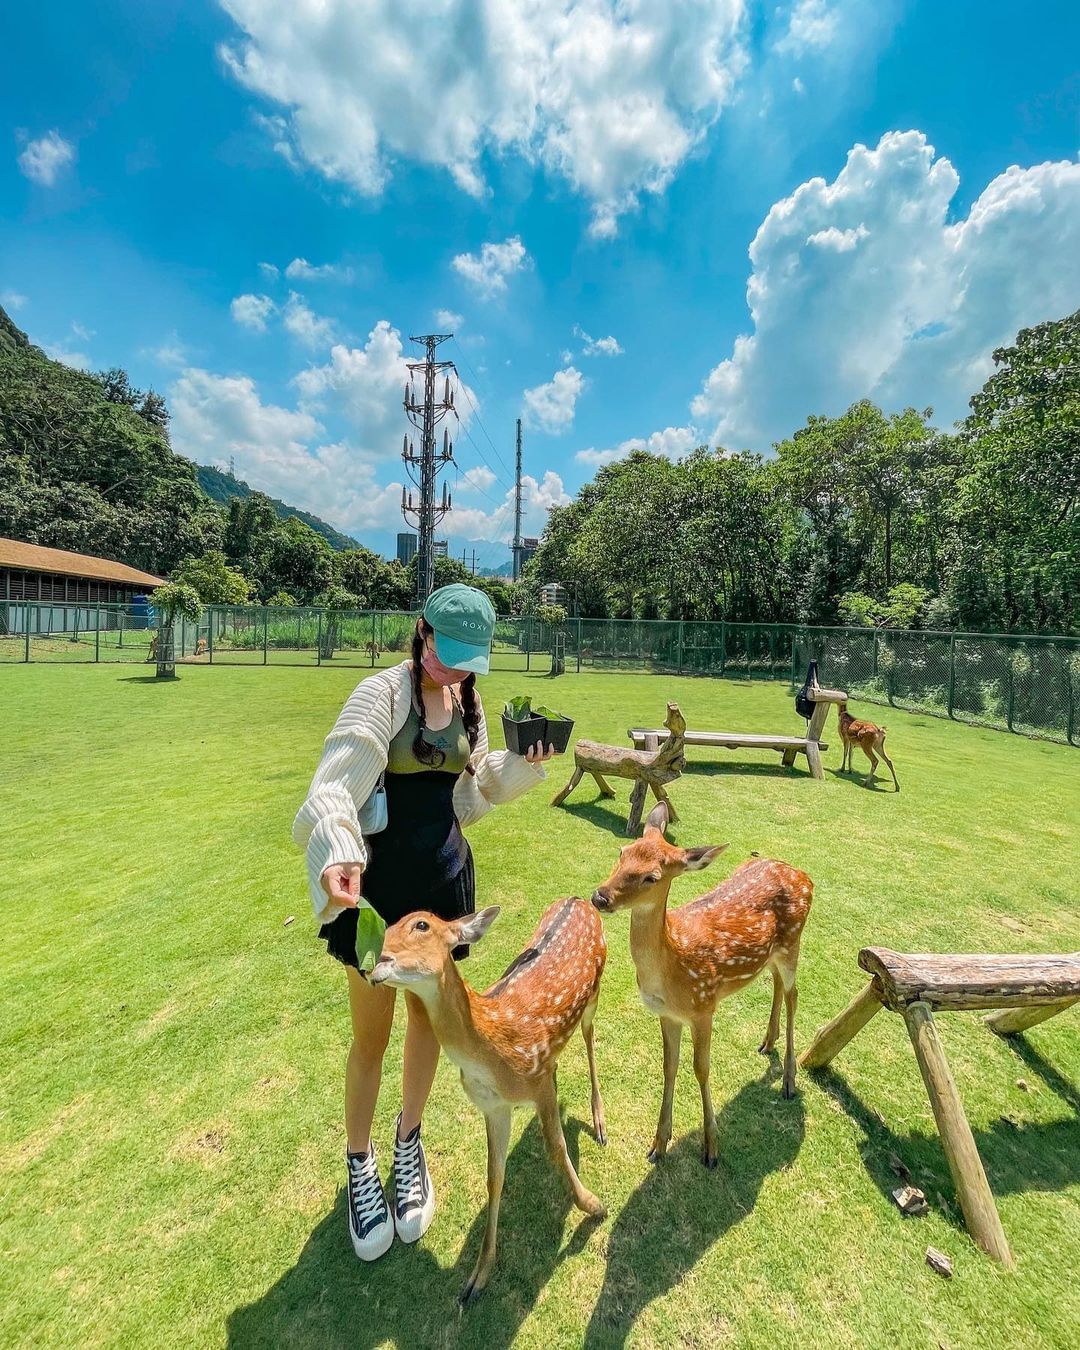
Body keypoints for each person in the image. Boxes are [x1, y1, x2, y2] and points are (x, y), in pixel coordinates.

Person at [292, 584, 553, 1262]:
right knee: (370, 1040)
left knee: (430, 1027)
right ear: (420, 631)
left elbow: (477, 786)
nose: (455, 671)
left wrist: (523, 767)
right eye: (446, 654)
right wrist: (339, 853)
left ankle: (410, 1142)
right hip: (378, 896)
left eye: (469, 661)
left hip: (442, 888)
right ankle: (360, 1161)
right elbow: (331, 787)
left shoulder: (468, 699)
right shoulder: (381, 694)